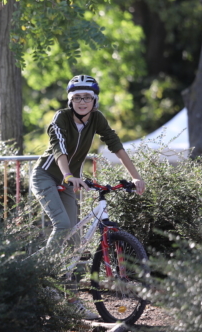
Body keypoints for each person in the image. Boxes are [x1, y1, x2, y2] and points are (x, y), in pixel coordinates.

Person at [31, 74, 146, 319]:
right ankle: (40, 273)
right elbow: (58, 146)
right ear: (70, 100)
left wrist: (135, 177)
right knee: (62, 226)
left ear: (94, 101)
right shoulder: (60, 118)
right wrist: (68, 175)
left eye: (87, 97)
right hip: (46, 175)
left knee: (74, 243)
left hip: (70, 180)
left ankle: (71, 301)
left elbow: (115, 144)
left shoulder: (97, 119)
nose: (82, 102)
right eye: (77, 97)